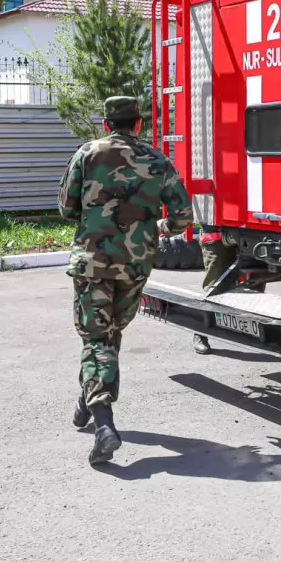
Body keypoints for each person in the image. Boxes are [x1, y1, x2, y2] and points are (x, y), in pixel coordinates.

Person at [60, 96, 193, 465]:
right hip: (135, 265)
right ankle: (86, 401)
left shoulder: (87, 154)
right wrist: (159, 227)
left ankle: (104, 425)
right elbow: (183, 216)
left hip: (93, 261)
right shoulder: (158, 160)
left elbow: (66, 208)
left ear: (106, 124)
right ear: (138, 124)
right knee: (110, 334)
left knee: (96, 337)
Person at [189, 225, 237, 355]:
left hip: (253, 230)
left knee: (254, 284)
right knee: (214, 287)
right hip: (216, 232)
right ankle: (200, 332)